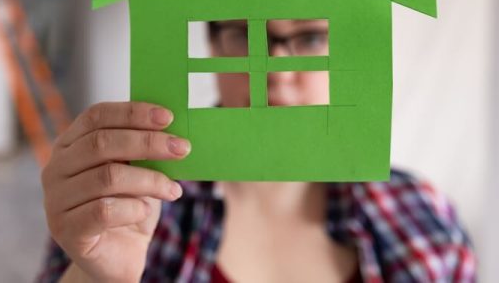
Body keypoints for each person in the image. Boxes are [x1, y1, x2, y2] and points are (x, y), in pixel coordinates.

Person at [38, 20, 476, 282]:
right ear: (212, 45)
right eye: (247, 37)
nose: (278, 75)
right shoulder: (127, 205)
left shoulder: (420, 212)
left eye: (308, 41)